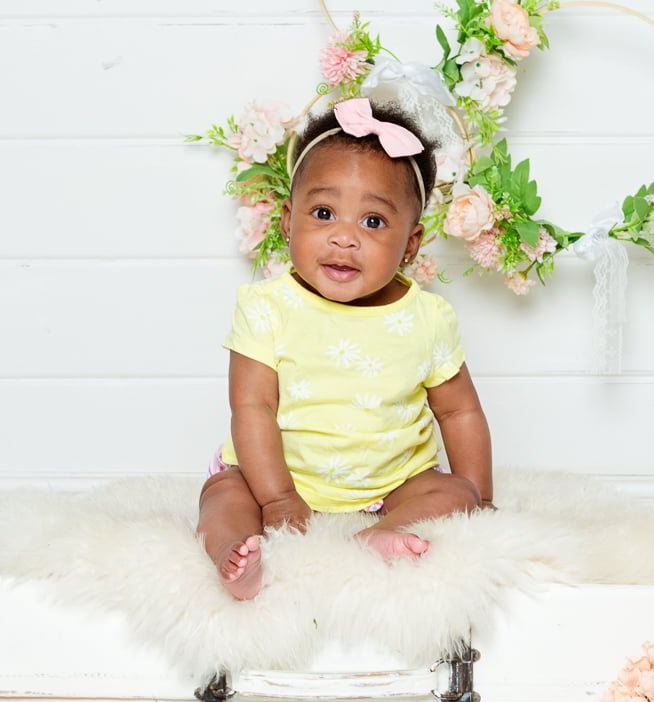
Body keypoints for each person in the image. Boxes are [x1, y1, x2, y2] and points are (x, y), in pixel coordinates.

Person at [199, 97, 493, 601]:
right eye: (323, 212)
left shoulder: (426, 318)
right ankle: (239, 559)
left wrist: (480, 500)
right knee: (223, 496)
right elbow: (252, 408)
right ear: (289, 221)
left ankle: (375, 535)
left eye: (373, 222)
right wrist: (278, 499)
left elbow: (461, 411)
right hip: (275, 477)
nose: (344, 237)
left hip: (389, 487)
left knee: (454, 494)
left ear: (411, 244)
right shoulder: (267, 307)